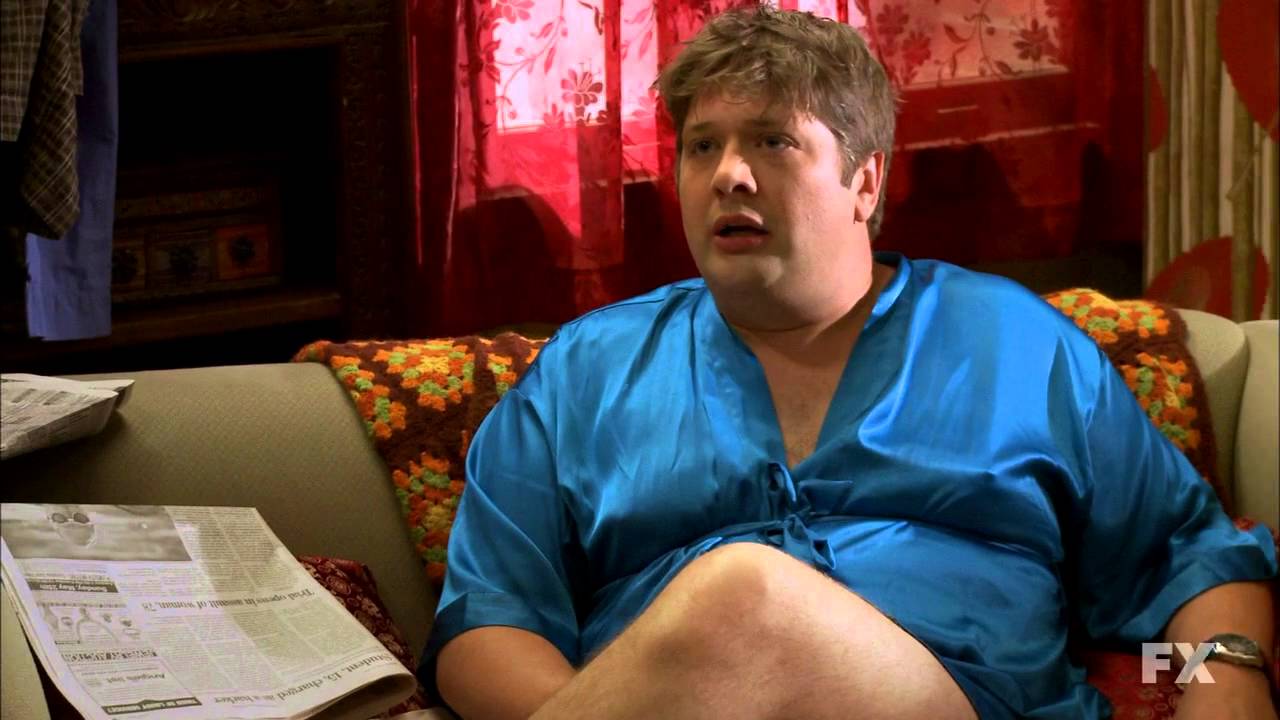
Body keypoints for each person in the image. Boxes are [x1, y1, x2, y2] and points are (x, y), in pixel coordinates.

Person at [422, 7, 1278, 719]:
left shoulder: (1019, 344)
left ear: (865, 183)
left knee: (744, 597)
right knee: (735, 602)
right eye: (702, 146)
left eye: (772, 142)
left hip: (963, 700)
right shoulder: (587, 369)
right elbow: (487, 624)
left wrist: (1226, 679)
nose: (728, 175)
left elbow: (1186, 558)